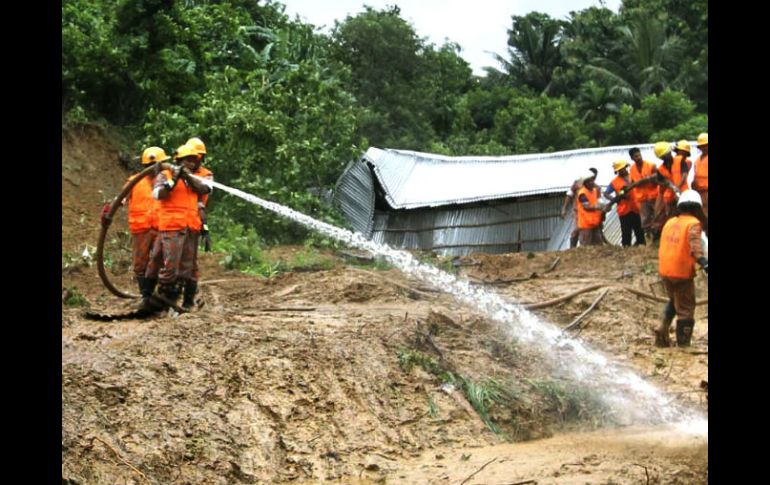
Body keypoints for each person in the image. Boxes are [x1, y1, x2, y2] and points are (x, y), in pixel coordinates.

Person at [145, 144, 211, 309]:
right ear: (179, 161)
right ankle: (160, 301)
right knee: (170, 266)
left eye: (193, 160)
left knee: (187, 268)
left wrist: (187, 177)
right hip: (172, 226)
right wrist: (173, 180)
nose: (191, 163)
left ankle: (180, 302)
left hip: (191, 227)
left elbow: (205, 189)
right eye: (187, 160)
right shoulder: (165, 174)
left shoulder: (199, 177)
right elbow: (157, 194)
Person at [654, 190, 708, 347]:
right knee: (686, 308)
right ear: (697, 208)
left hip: (666, 271)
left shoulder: (670, 222)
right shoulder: (693, 224)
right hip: (681, 273)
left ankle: (663, 326)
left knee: (674, 300)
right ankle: (684, 345)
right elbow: (695, 245)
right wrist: (704, 262)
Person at [178, 137, 214, 309]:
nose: (194, 160)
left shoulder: (206, 175)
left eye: (197, 157)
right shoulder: (174, 172)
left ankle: (187, 301)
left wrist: (204, 227)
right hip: (172, 222)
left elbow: (202, 189)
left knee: (189, 264)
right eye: (191, 157)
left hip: (193, 221)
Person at [652, 141, 690, 240]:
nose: (667, 156)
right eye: (664, 155)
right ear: (660, 157)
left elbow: (684, 175)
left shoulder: (680, 160)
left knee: (686, 216)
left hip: (683, 194)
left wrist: (677, 187)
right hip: (670, 197)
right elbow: (662, 183)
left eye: (668, 153)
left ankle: (686, 237)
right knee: (671, 219)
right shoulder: (660, 169)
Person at [604, 160, 644, 246]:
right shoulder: (614, 182)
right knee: (626, 232)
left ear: (626, 167)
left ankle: (641, 246)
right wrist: (615, 199)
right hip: (624, 210)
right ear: (617, 171)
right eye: (620, 169)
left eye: (623, 168)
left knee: (640, 231)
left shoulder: (633, 176)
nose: (622, 170)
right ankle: (626, 248)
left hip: (636, 208)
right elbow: (606, 193)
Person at [561, 168, 598, 248]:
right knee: (577, 229)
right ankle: (573, 247)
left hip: (590, 212)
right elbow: (569, 195)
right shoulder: (577, 184)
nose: (593, 179)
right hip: (578, 211)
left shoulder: (595, 187)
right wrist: (564, 208)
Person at [627, 147, 658, 242]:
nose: (639, 157)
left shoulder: (651, 165)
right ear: (632, 158)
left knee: (657, 216)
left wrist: (646, 179)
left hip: (654, 196)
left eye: (639, 155)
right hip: (642, 199)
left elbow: (658, 175)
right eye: (636, 156)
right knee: (645, 220)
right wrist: (624, 191)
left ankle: (658, 237)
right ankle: (649, 239)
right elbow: (632, 182)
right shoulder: (632, 169)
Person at [576, 171, 605, 246]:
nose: (591, 182)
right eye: (589, 181)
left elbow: (597, 200)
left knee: (598, 245)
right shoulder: (582, 193)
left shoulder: (594, 191)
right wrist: (598, 207)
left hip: (594, 223)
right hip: (586, 224)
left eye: (592, 180)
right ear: (585, 183)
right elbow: (586, 207)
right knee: (586, 246)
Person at [692, 133, 708, 230]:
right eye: (701, 146)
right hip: (699, 192)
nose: (704, 148)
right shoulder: (697, 159)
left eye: (705, 145)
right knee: (702, 215)